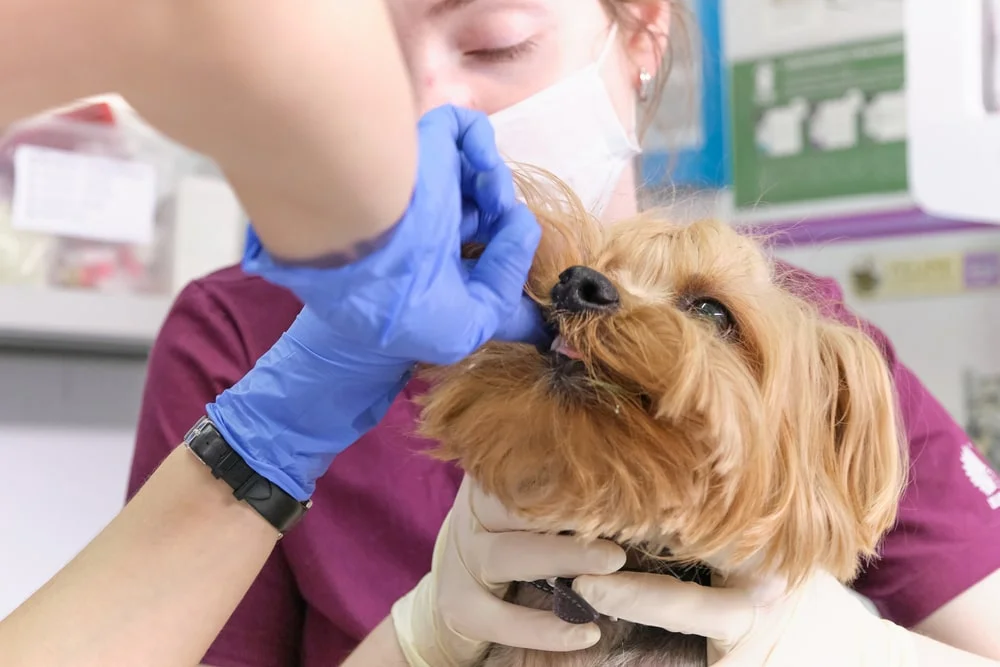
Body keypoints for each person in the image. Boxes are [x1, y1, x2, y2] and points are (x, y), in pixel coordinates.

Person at [128, 1, 1000, 667]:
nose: (430, 105)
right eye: (369, 63)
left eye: (493, 43)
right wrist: (417, 640)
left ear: (642, 33)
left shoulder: (814, 355)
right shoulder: (247, 337)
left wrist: (822, 642)